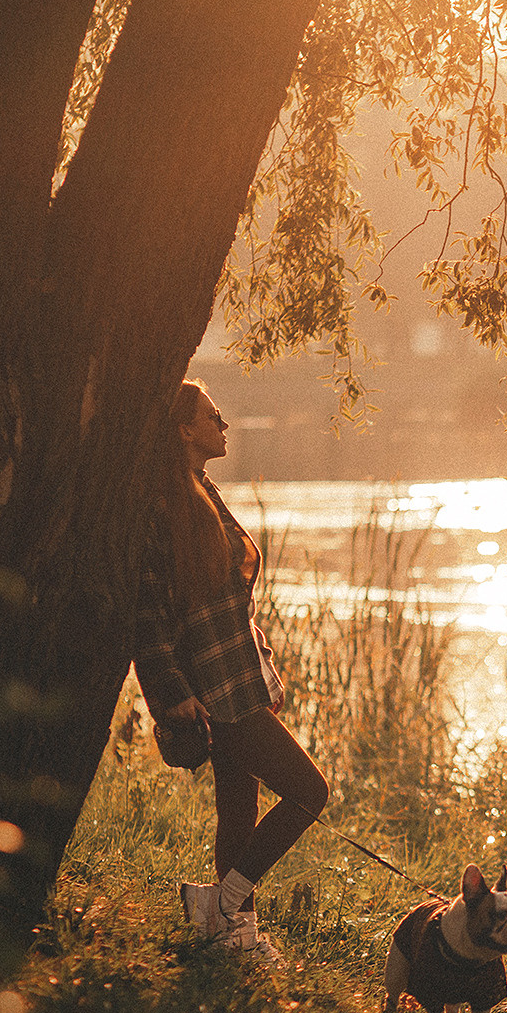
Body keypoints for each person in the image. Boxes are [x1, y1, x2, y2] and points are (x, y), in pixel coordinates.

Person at [133, 379, 329, 945]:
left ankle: (232, 932)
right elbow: (151, 619)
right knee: (309, 792)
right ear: (184, 429)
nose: (224, 425)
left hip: (240, 682)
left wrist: (265, 668)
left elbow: (229, 604)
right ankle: (222, 906)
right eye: (213, 416)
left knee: (238, 812)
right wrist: (173, 696)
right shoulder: (164, 507)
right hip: (214, 695)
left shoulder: (201, 489)